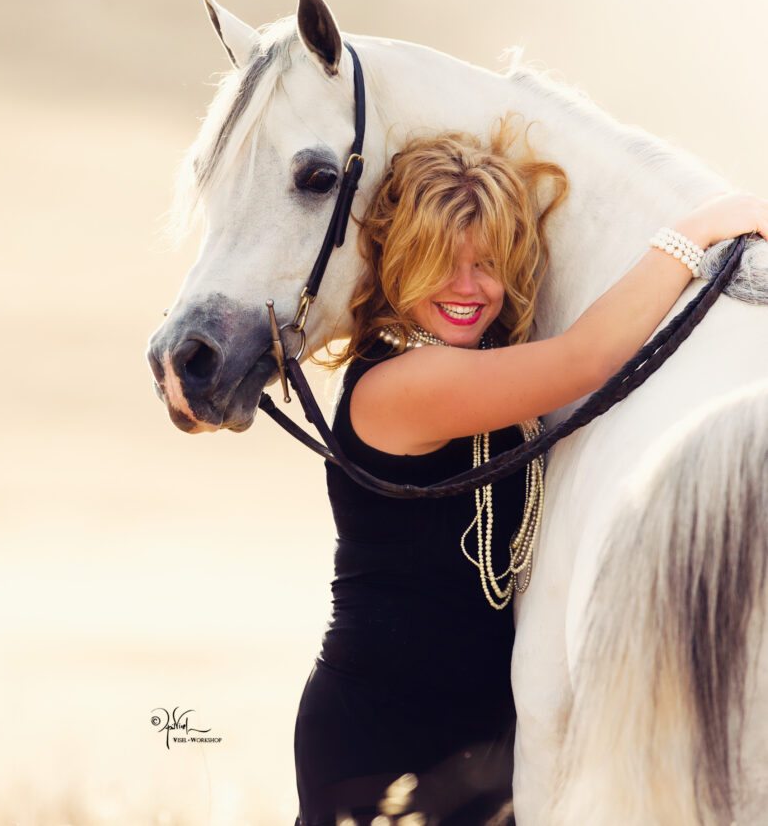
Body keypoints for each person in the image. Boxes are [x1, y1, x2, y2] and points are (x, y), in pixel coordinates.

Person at [291, 112, 768, 826]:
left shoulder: (482, 365)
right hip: (382, 726)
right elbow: (585, 359)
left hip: (485, 737)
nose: (468, 286)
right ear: (399, 261)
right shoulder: (395, 386)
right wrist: (696, 230)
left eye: (486, 262)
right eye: (440, 260)